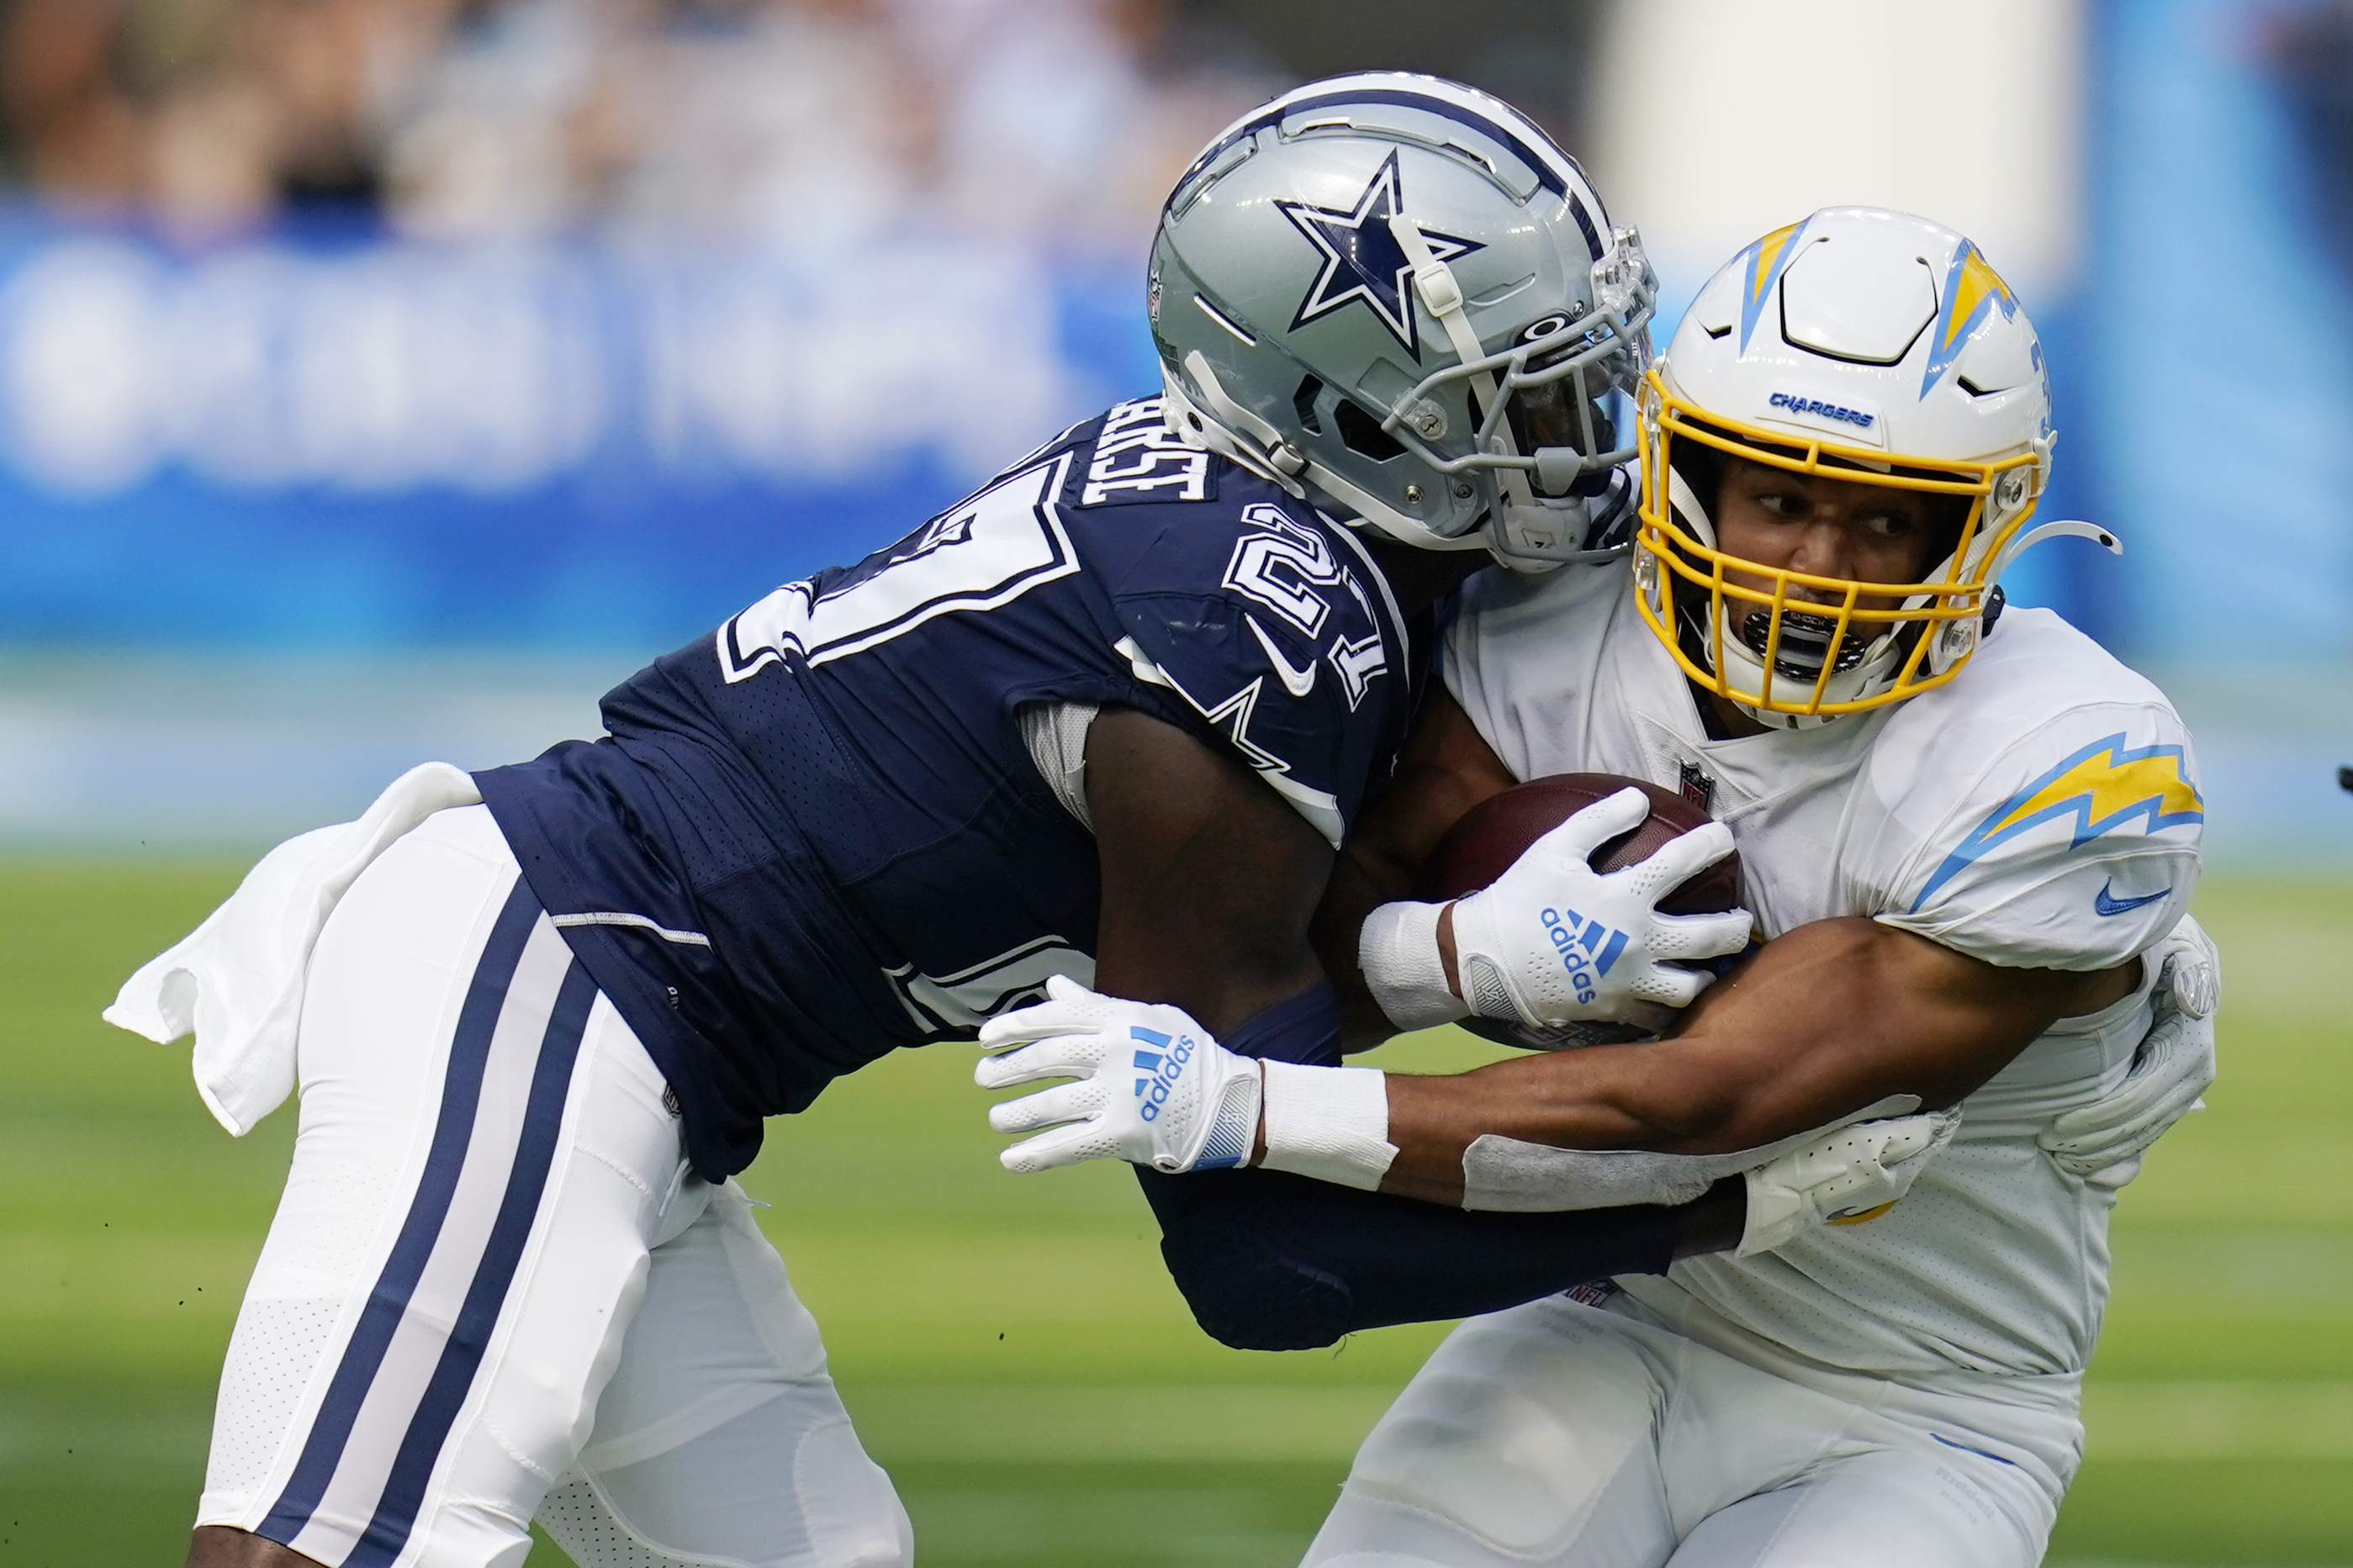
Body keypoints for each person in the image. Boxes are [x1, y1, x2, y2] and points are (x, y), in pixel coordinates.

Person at [105, 75, 1805, 1568]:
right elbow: (1256, 1249)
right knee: (333, 1549)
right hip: (563, 973)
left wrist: (1435, 958)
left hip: (639, 1022)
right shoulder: (1263, 614)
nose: (1586, 421)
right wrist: (1708, 1205)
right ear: (1352, 411)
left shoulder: (1259, 547)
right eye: (1523, 379)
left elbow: (1191, 980)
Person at [975, 209, 2216, 1567]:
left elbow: (1709, 1106)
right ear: (1686, 472)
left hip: (1918, 1399)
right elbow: (1298, 950)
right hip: (1594, 1314)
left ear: (1978, 525)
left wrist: (1241, 1104)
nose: (1814, 566)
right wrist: (1451, 952)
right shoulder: (1549, 620)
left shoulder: (2061, 755)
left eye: (1882, 519)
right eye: (1782, 498)